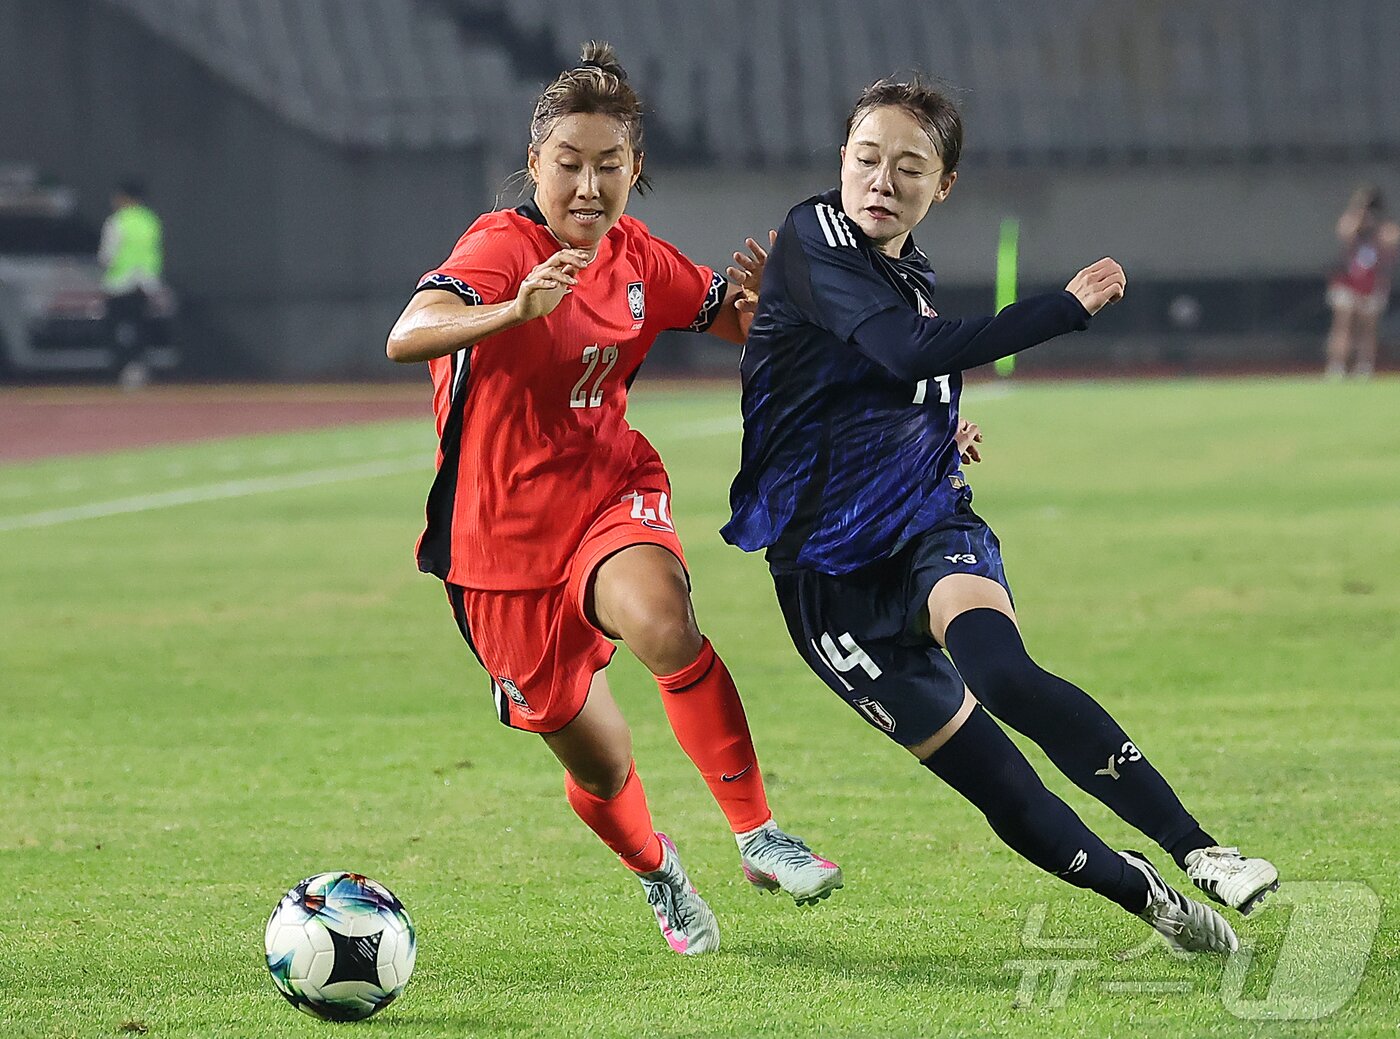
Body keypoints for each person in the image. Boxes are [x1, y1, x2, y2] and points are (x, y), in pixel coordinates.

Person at [721, 76, 1279, 954]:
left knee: (1005, 672)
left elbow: (892, 368)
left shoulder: (908, 271)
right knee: (1003, 789)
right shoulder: (814, 233)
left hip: (926, 525)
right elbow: (901, 348)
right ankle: (1146, 896)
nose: (881, 180)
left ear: (942, 187)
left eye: (909, 167)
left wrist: (938, 423)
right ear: (841, 160)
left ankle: (1202, 849)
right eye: (866, 158)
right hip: (827, 584)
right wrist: (1063, 310)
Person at [385, 42, 842, 956]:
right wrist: (512, 311)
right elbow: (410, 333)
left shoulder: (635, 256)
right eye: (569, 165)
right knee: (599, 762)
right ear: (534, 165)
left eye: (609, 166)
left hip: (607, 493)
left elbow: (732, 319)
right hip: (498, 550)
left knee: (663, 622)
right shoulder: (498, 247)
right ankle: (659, 871)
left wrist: (778, 315)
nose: (588, 187)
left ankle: (758, 835)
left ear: (637, 170)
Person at [1325, 185, 1398, 379]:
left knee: (1368, 328)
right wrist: (1358, 218)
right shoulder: (1351, 221)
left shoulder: (1385, 227)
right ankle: (1337, 366)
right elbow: (1344, 234)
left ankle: (1364, 366)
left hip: (1372, 282)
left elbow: (1390, 244)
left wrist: (1375, 227)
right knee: (1343, 324)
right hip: (1348, 280)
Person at [99, 180, 164, 389]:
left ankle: (124, 367)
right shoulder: (150, 221)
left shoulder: (117, 221)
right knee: (140, 327)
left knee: (114, 328)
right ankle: (138, 366)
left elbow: (107, 256)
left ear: (124, 197)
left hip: (119, 283)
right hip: (145, 283)